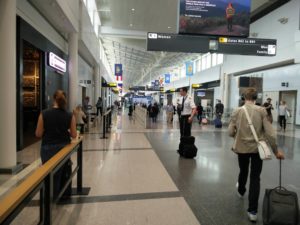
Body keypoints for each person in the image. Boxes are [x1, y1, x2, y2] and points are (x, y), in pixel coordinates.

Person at [228, 88, 284, 222]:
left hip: (242, 148)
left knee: (243, 170)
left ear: (244, 97)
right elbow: (270, 134)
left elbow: (230, 132)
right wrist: (276, 151)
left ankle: (241, 190)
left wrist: (238, 135)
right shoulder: (261, 111)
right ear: (255, 98)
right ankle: (253, 211)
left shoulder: (237, 111)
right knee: (255, 177)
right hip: (257, 149)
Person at [35, 90, 77, 198]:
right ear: (65, 99)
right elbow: (74, 134)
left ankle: (49, 195)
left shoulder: (44, 113)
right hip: (63, 149)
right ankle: (61, 195)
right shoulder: (69, 114)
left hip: (47, 148)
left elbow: (38, 134)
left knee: (48, 172)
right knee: (62, 172)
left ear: (53, 99)